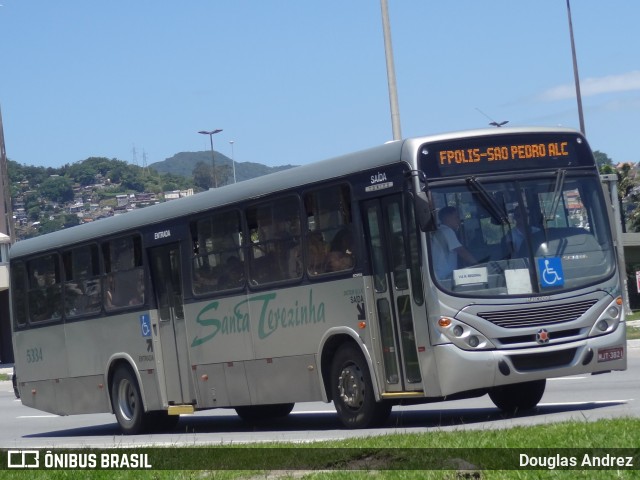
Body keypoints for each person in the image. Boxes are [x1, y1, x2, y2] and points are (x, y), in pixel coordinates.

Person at [431, 206, 477, 279]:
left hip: (439, 276)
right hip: (445, 277)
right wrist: (478, 265)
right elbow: (462, 252)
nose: (459, 221)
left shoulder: (440, 231)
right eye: (457, 217)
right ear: (447, 218)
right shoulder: (447, 231)